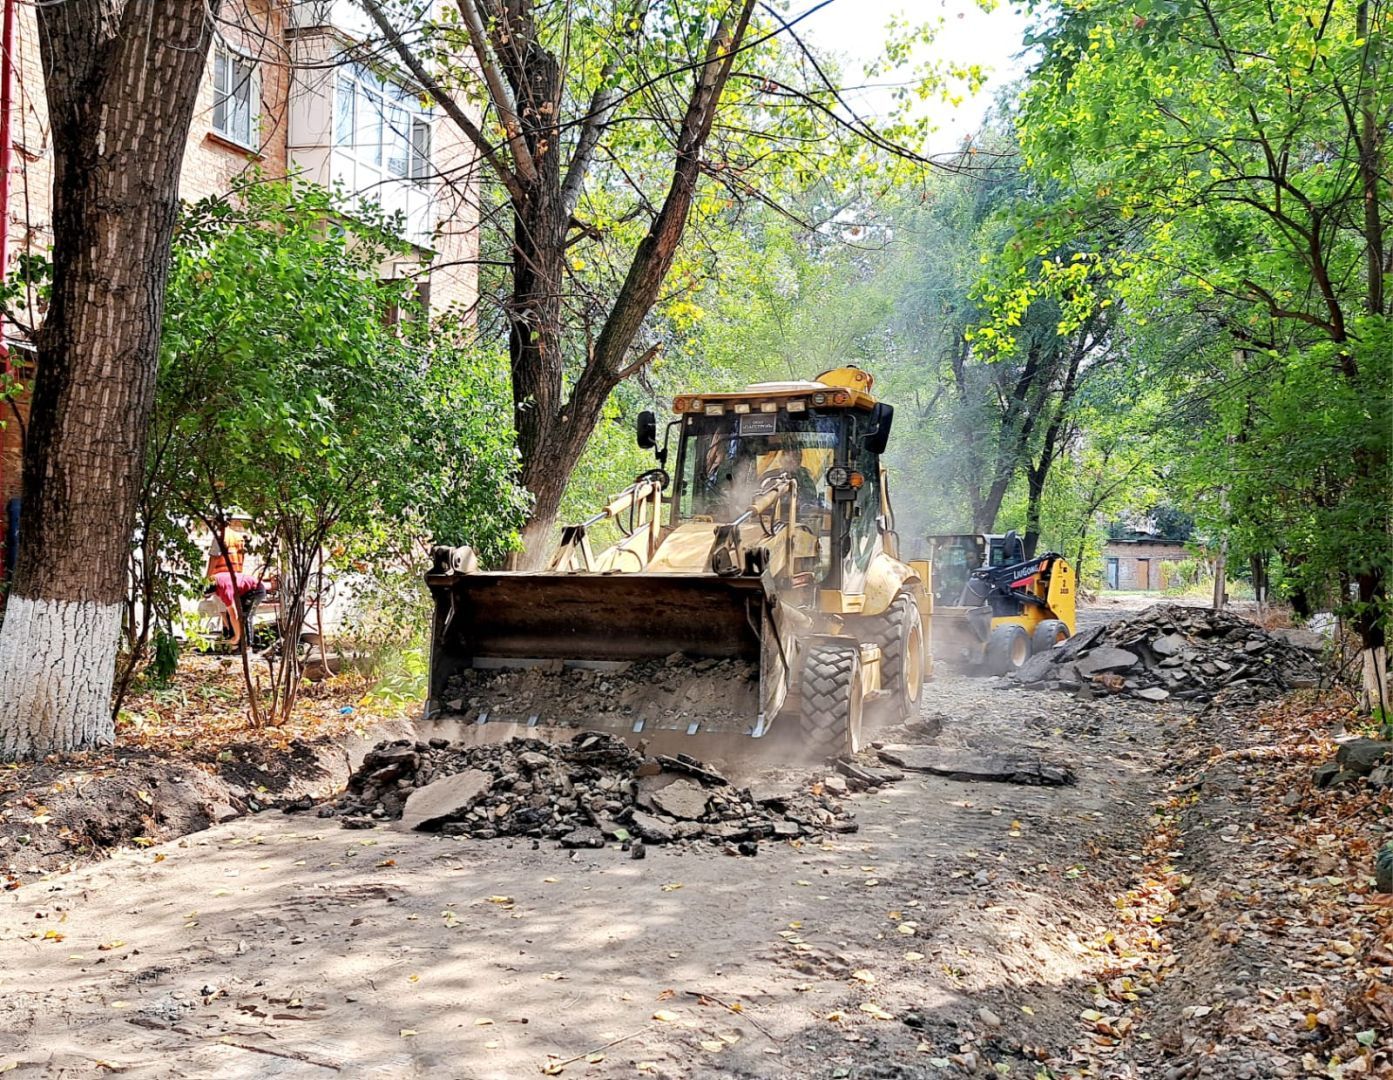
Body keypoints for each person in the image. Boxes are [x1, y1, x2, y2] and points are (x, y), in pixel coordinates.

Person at [206, 570, 267, 648]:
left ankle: (246, 646)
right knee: (229, 614)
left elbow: (234, 615)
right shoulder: (214, 579)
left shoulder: (225, 590)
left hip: (256, 589)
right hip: (243, 591)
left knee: (245, 616)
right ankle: (235, 642)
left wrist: (237, 637)